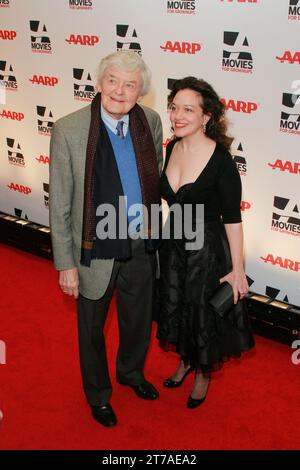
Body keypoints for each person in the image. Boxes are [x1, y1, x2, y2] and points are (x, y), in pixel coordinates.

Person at [49, 51, 163, 427]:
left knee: (138, 319)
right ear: (100, 83)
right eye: (113, 80)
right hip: (93, 248)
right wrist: (65, 263)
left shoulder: (151, 122)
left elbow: (154, 182)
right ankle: (98, 394)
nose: (120, 90)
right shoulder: (70, 128)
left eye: (130, 84)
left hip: (140, 241)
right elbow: (61, 202)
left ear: (140, 92)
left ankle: (130, 373)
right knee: (91, 327)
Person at [157, 77, 255, 408]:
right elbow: (169, 202)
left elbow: (233, 219)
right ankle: (185, 360)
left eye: (188, 109)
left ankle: (202, 372)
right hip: (174, 245)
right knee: (178, 304)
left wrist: (237, 269)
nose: (178, 116)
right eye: (174, 108)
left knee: (200, 310)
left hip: (206, 250)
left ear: (206, 117)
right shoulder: (171, 146)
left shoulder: (221, 162)